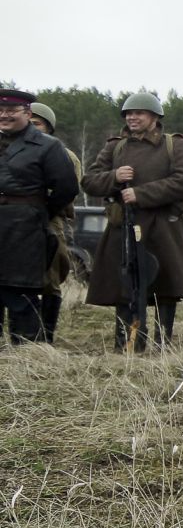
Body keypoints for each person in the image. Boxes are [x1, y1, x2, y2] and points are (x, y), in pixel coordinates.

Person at [81, 92, 183, 350]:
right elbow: (89, 181)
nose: (132, 117)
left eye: (139, 113)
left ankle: (162, 345)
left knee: (166, 289)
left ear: (154, 117)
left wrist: (141, 194)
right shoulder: (115, 146)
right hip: (123, 226)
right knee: (126, 287)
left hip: (163, 226)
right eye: (128, 113)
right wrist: (114, 176)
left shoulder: (175, 145)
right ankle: (127, 345)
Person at [0, 87, 80, 344]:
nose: (5, 115)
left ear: (27, 112)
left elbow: (67, 187)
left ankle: (26, 354)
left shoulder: (47, 146)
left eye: (11, 110)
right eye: (0, 111)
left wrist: (37, 212)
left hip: (26, 230)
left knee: (21, 293)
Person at [27, 103, 83, 343]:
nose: (32, 128)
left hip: (51, 221)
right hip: (13, 222)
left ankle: (45, 338)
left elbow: (69, 189)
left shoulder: (64, 154)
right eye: (29, 123)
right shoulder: (9, 150)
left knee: (50, 279)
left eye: (37, 123)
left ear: (49, 127)